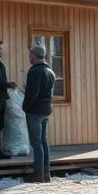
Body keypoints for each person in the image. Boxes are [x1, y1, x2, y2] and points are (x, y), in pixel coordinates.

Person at [22, 44, 56, 183]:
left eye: (30, 53)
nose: (29, 56)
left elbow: (32, 94)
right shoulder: (50, 71)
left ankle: (38, 175)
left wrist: (25, 106)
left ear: (34, 55)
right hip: (46, 109)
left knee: (36, 143)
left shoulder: (35, 71)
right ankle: (46, 173)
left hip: (35, 110)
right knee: (43, 141)